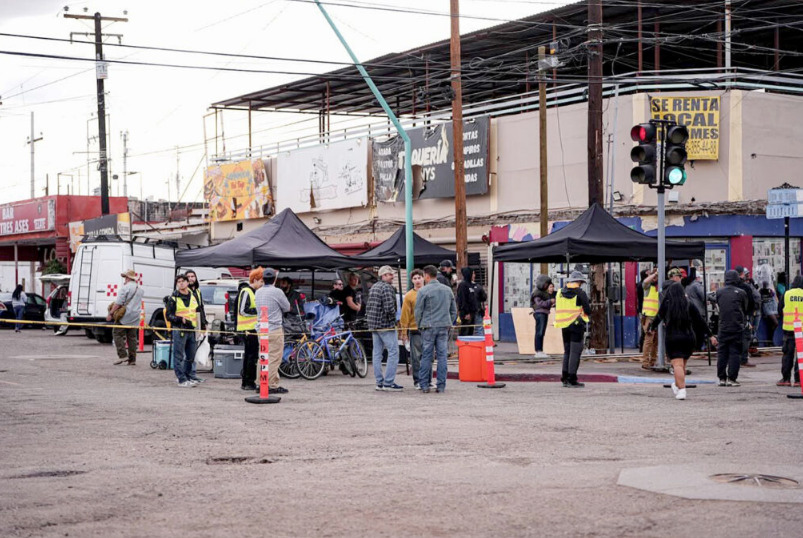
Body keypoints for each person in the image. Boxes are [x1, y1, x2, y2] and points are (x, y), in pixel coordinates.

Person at [650, 282, 716, 400]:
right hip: (688, 338)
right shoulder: (689, 304)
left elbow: (658, 317)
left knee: (677, 365)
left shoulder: (667, 303)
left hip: (673, 338)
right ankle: (676, 384)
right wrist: (711, 335)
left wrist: (651, 328)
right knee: (682, 366)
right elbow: (700, 321)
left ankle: (682, 390)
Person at [415, 265, 457, 393]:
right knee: (442, 356)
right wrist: (449, 322)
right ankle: (441, 385)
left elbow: (418, 311)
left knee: (426, 356)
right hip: (444, 326)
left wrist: (419, 325)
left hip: (428, 326)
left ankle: (424, 385)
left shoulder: (423, 291)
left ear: (426, 276)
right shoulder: (447, 290)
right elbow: (453, 310)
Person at [254, 268, 291, 394]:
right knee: (274, 358)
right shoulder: (278, 292)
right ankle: (271, 385)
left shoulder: (258, 292)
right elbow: (287, 307)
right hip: (274, 328)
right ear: (275, 279)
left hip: (261, 329)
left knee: (262, 357)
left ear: (263, 279)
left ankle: (260, 383)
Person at [554, 271, 592, 388]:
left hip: (563, 326)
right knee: (575, 353)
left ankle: (565, 378)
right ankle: (572, 378)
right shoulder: (580, 293)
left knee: (567, 352)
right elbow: (588, 310)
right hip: (576, 325)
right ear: (579, 282)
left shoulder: (559, 292)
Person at [367, 265, 401, 391]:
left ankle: (379, 382)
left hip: (374, 325)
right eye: (390, 274)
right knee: (393, 352)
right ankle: (389, 382)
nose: (392, 276)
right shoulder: (387, 288)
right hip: (385, 325)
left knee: (377, 354)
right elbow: (389, 309)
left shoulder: (374, 287)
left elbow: (369, 306)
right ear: (384, 275)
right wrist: (394, 321)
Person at [166, 274, 202, 388]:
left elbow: (198, 312)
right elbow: (168, 316)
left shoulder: (193, 295)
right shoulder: (173, 298)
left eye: (183, 281)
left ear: (187, 283)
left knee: (191, 356)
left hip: (192, 330)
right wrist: (180, 319)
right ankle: (181, 379)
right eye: (179, 281)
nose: (181, 283)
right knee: (178, 356)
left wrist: (200, 328)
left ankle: (187, 377)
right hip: (180, 330)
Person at [715, 270, 749, 387]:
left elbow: (719, 304)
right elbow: (745, 308)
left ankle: (721, 378)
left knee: (722, 353)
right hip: (737, 326)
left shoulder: (719, 292)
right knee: (735, 353)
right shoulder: (741, 293)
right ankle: (732, 378)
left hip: (723, 326)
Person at [107, 269, 144, 366]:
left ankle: (123, 355)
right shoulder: (140, 289)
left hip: (124, 316)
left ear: (127, 278)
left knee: (116, 333)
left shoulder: (125, 288)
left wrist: (110, 313)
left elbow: (118, 304)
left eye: (125, 277)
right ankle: (132, 360)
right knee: (132, 337)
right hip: (135, 316)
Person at [238, 268, 264, 391]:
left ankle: (249, 381)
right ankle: (247, 382)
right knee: (250, 356)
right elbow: (243, 310)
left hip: (253, 329)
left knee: (252, 356)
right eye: (261, 282)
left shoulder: (253, 292)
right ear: (255, 280)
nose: (262, 285)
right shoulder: (246, 291)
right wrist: (259, 312)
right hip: (247, 329)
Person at [400, 269, 425, 389]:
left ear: (424, 278)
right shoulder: (409, 295)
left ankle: (426, 379)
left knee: (428, 356)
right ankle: (417, 380)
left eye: (419, 277)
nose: (417, 280)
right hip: (415, 329)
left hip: (429, 328)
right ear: (411, 281)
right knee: (416, 357)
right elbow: (405, 314)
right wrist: (404, 332)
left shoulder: (428, 292)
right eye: (415, 278)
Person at [777, 275, 803, 387]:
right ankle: (798, 380)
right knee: (801, 356)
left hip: (789, 328)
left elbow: (779, 309)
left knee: (788, 354)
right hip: (802, 329)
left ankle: (786, 379)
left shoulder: (787, 294)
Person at [185, 269, 208, 382]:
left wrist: (204, 323)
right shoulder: (185, 292)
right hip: (187, 325)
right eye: (188, 276)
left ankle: (192, 374)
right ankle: (187, 375)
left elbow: (200, 308)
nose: (190, 278)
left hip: (196, 324)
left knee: (193, 350)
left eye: (192, 276)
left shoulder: (197, 291)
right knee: (187, 352)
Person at [734, 266, 758, 368]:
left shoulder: (729, 287)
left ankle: (733, 359)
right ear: (741, 274)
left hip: (732, 316)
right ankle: (743, 359)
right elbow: (751, 302)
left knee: (734, 338)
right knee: (746, 337)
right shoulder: (745, 287)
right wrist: (751, 313)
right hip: (745, 316)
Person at [531, 276, 555, 358]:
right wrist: (550, 301)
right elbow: (540, 303)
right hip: (540, 313)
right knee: (540, 332)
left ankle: (540, 350)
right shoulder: (537, 293)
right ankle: (538, 351)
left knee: (541, 332)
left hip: (544, 313)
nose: (546, 286)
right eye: (546, 284)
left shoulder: (543, 292)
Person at [641, 268, 659, 370]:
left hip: (657, 317)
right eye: (654, 277)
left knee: (656, 341)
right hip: (649, 317)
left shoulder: (658, 288)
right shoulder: (647, 287)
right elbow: (645, 281)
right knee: (649, 340)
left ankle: (652, 361)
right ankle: (645, 362)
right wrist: (655, 274)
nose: (655, 279)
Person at [456, 267, 480, 337]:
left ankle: (469, 347)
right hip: (466, 314)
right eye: (472, 274)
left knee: (470, 333)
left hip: (472, 313)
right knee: (465, 333)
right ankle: (464, 347)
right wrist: (466, 313)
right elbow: (462, 300)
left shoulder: (471, 284)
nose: (474, 275)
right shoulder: (463, 285)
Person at [760, 280, 779, 346]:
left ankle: (770, 340)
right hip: (767, 309)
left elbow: (775, 299)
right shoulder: (761, 291)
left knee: (771, 325)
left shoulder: (771, 291)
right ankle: (770, 340)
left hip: (773, 307)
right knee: (775, 323)